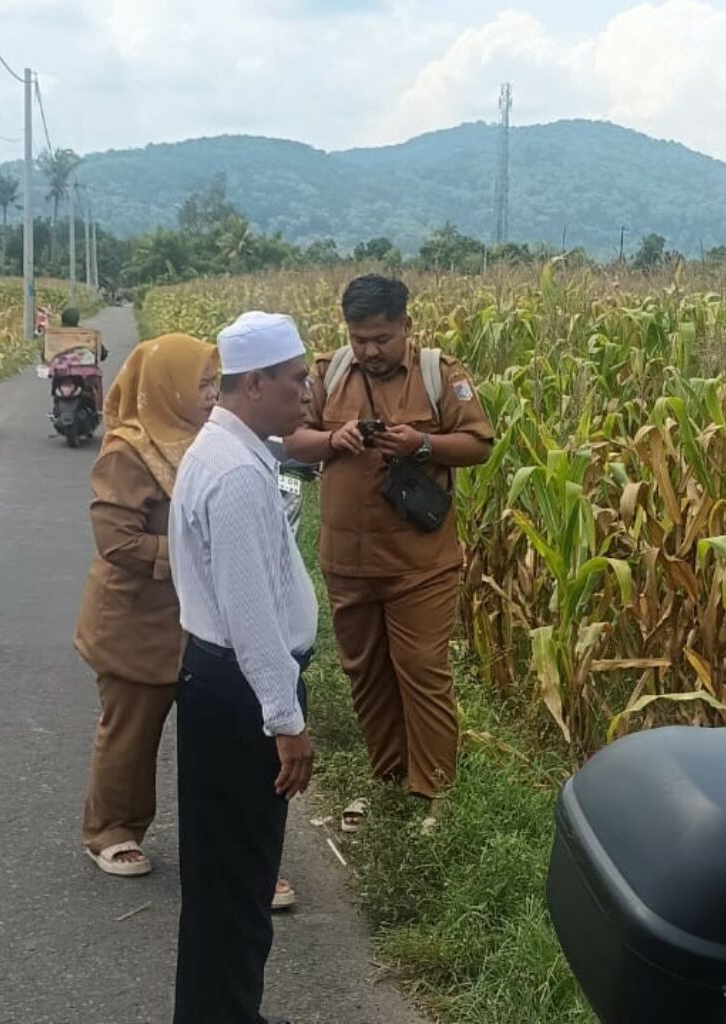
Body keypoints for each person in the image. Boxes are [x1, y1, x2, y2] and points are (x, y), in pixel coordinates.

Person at [284, 274, 493, 830]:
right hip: (347, 560)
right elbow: (290, 440)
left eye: (381, 338)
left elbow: (479, 444)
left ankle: (433, 794)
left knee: (422, 669)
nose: (370, 350)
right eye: (359, 339)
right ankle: (388, 778)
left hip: (419, 561)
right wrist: (336, 438)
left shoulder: (440, 376)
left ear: (406, 325)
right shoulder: (327, 374)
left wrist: (421, 443)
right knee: (366, 671)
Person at [169, 311, 316, 1024]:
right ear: (254, 382)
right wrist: (286, 721)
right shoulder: (233, 474)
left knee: (227, 883)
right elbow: (251, 615)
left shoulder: (230, 451)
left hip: (223, 686)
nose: (307, 390)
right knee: (238, 887)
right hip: (241, 695)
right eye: (295, 379)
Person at [74, 333, 220, 877]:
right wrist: (196, 552)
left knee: (216, 734)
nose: (210, 394)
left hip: (196, 618)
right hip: (136, 618)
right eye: (200, 384)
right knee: (132, 732)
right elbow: (116, 541)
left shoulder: (206, 440)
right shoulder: (128, 450)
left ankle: (224, 844)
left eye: (214, 383)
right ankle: (112, 830)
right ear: (167, 388)